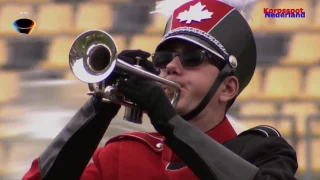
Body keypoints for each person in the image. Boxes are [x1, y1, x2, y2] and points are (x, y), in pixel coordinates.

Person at [22, 0, 298, 179]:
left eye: (192, 58)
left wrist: (170, 124)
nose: (172, 67)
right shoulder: (121, 155)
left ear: (227, 87)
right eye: (163, 58)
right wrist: (100, 107)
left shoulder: (263, 152)